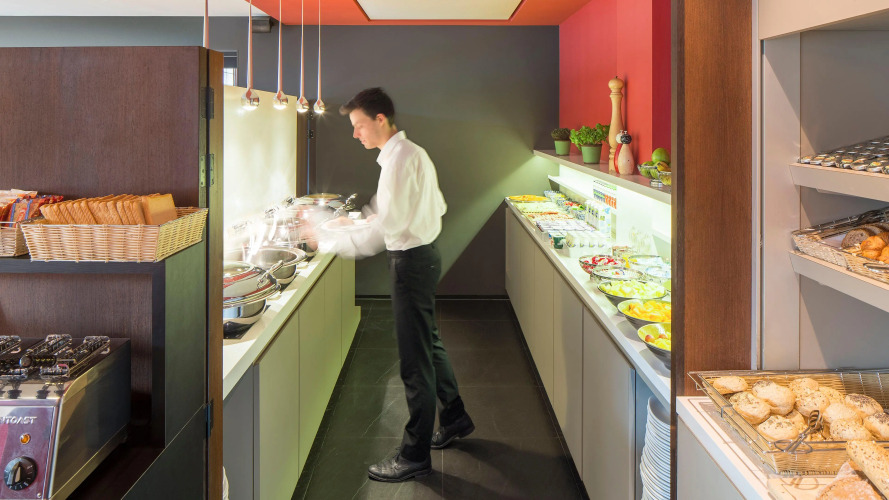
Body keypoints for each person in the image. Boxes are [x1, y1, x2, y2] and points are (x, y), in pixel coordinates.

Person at [327, 87, 474, 482]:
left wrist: (331, 240)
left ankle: (414, 454)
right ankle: (455, 417)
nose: (355, 134)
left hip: (409, 264)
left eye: (359, 125)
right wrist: (357, 222)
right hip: (424, 256)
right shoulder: (413, 153)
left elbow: (387, 227)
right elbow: (428, 207)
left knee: (415, 361)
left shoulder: (397, 161)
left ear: (380, 119)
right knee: (429, 344)